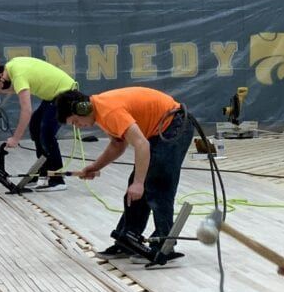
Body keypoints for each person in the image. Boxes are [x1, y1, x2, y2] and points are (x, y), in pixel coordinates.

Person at [55, 87, 193, 259]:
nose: (78, 127)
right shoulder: (100, 112)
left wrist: (139, 182)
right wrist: (95, 167)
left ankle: (164, 246)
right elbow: (117, 145)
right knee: (134, 191)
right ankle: (128, 241)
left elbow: (142, 145)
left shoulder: (109, 111)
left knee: (157, 186)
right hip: (161, 128)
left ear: (82, 108)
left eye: (75, 122)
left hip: (175, 124)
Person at [0, 57, 78, 191]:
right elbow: (18, 89)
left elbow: (26, 110)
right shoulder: (11, 67)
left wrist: (16, 138)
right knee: (35, 126)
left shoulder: (18, 75)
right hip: (55, 95)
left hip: (66, 94)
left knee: (47, 133)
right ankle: (42, 173)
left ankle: (57, 179)